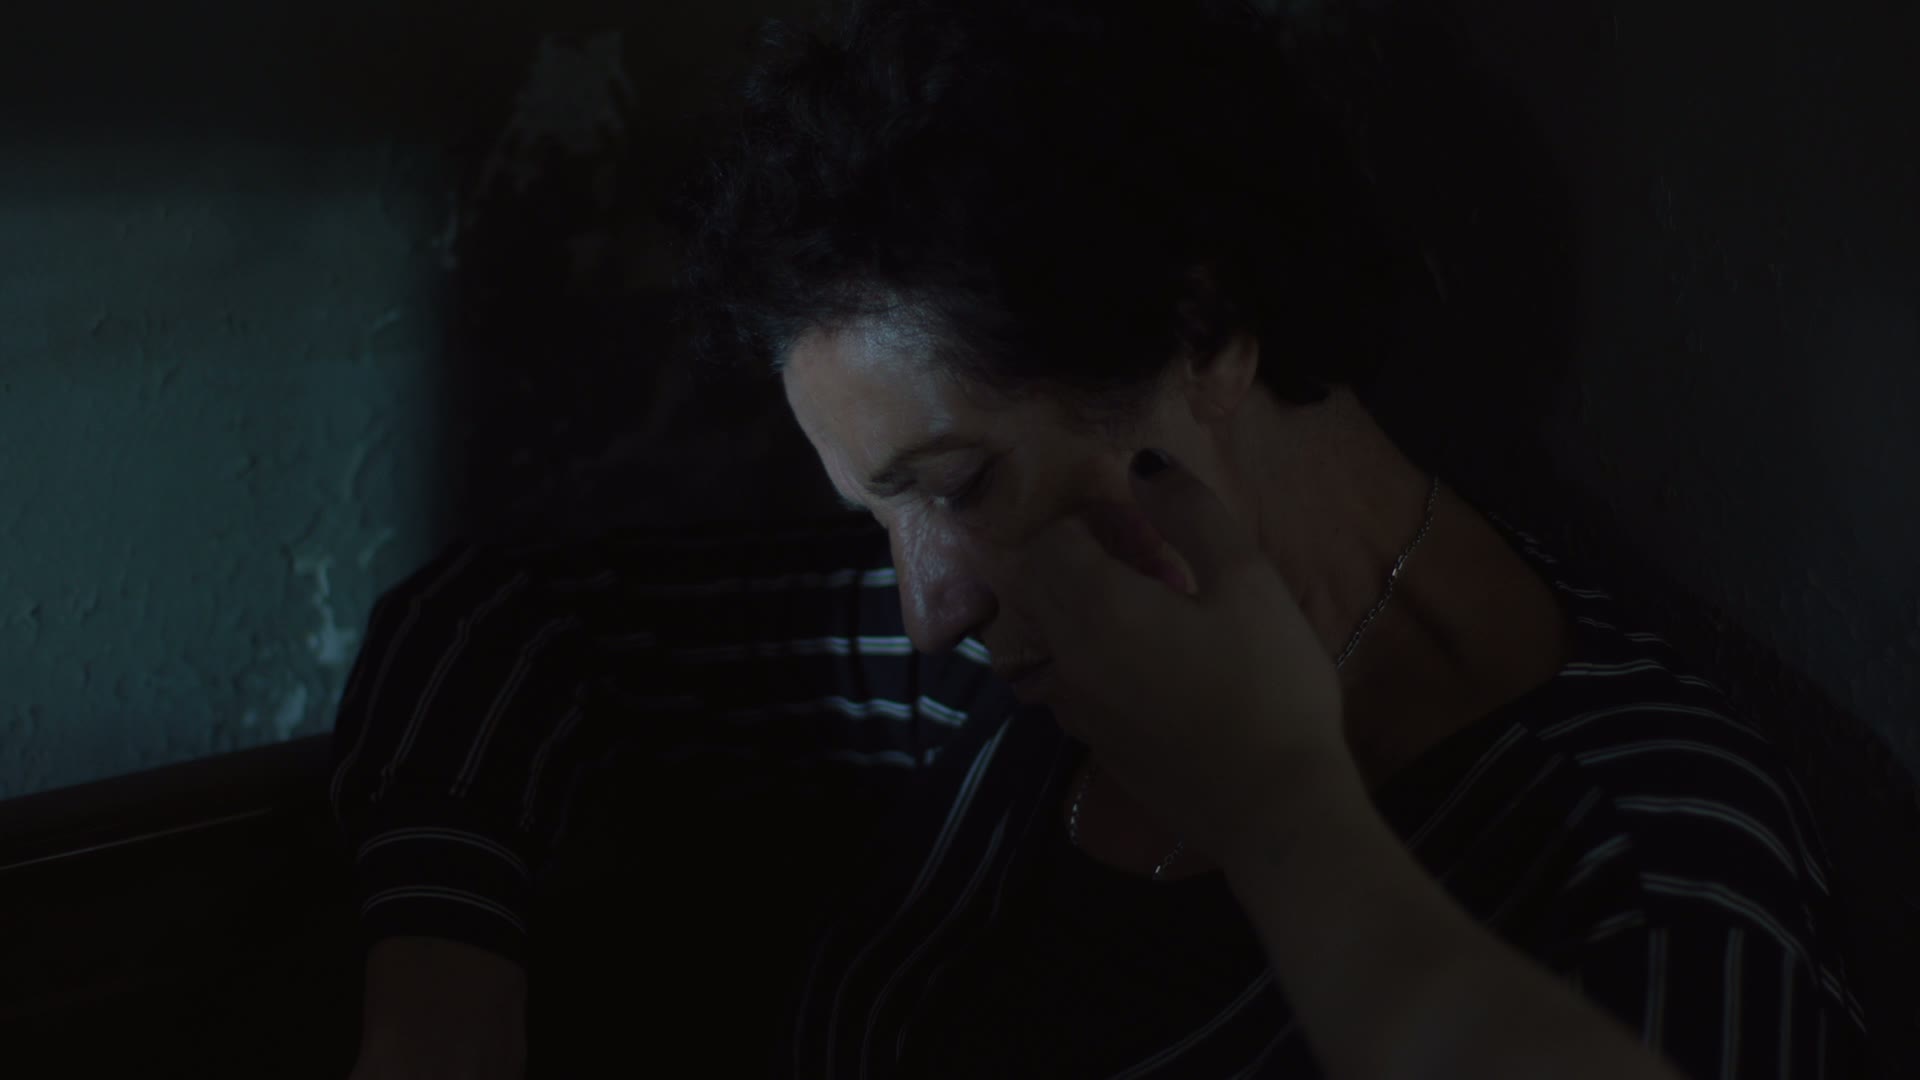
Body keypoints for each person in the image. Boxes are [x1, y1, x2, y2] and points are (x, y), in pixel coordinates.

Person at [333, 1, 1871, 1076]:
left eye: (957, 482)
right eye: (880, 514)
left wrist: (1281, 816)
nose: (926, 610)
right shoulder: (1030, 653)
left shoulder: (1642, 862)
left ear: (1201, 334)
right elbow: (499, 637)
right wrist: (443, 1011)